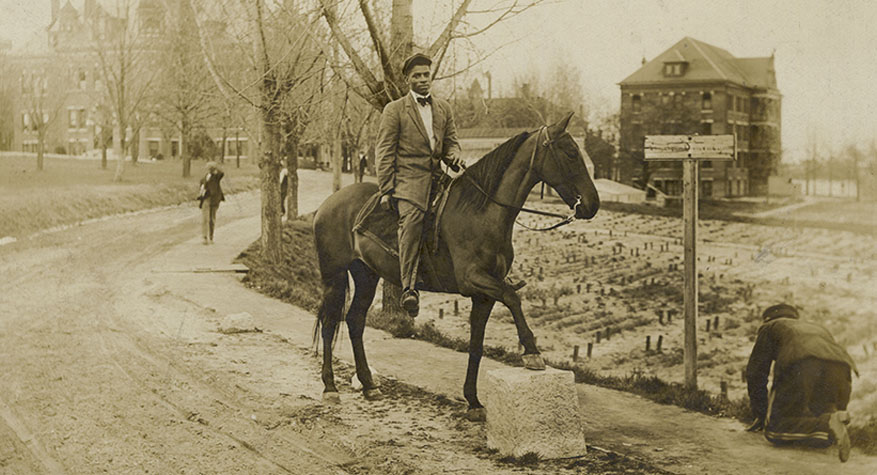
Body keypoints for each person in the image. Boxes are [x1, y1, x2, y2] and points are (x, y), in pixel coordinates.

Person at [375, 52, 464, 317]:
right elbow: (384, 151)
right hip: (408, 182)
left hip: (438, 180)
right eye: (417, 76)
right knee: (412, 222)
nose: (423, 79)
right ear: (407, 80)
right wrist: (386, 190)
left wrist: (454, 154)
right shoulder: (394, 110)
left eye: (426, 74)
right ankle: (409, 288)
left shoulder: (444, 108)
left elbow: (451, 142)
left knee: (466, 211)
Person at [746, 303, 858, 462]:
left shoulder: (770, 326)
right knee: (820, 435)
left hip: (803, 362)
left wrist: (761, 413)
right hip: (841, 366)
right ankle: (832, 421)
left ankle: (828, 423)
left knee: (775, 431)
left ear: (767, 319)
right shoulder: (816, 327)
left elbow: (756, 373)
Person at [198, 161, 225, 244]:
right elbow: (202, 188)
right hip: (206, 199)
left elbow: (222, 173)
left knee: (211, 219)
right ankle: (205, 237)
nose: (209, 170)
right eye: (209, 168)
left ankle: (211, 237)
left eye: (211, 168)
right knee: (205, 219)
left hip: (214, 199)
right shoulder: (204, 178)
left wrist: (216, 167)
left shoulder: (216, 177)